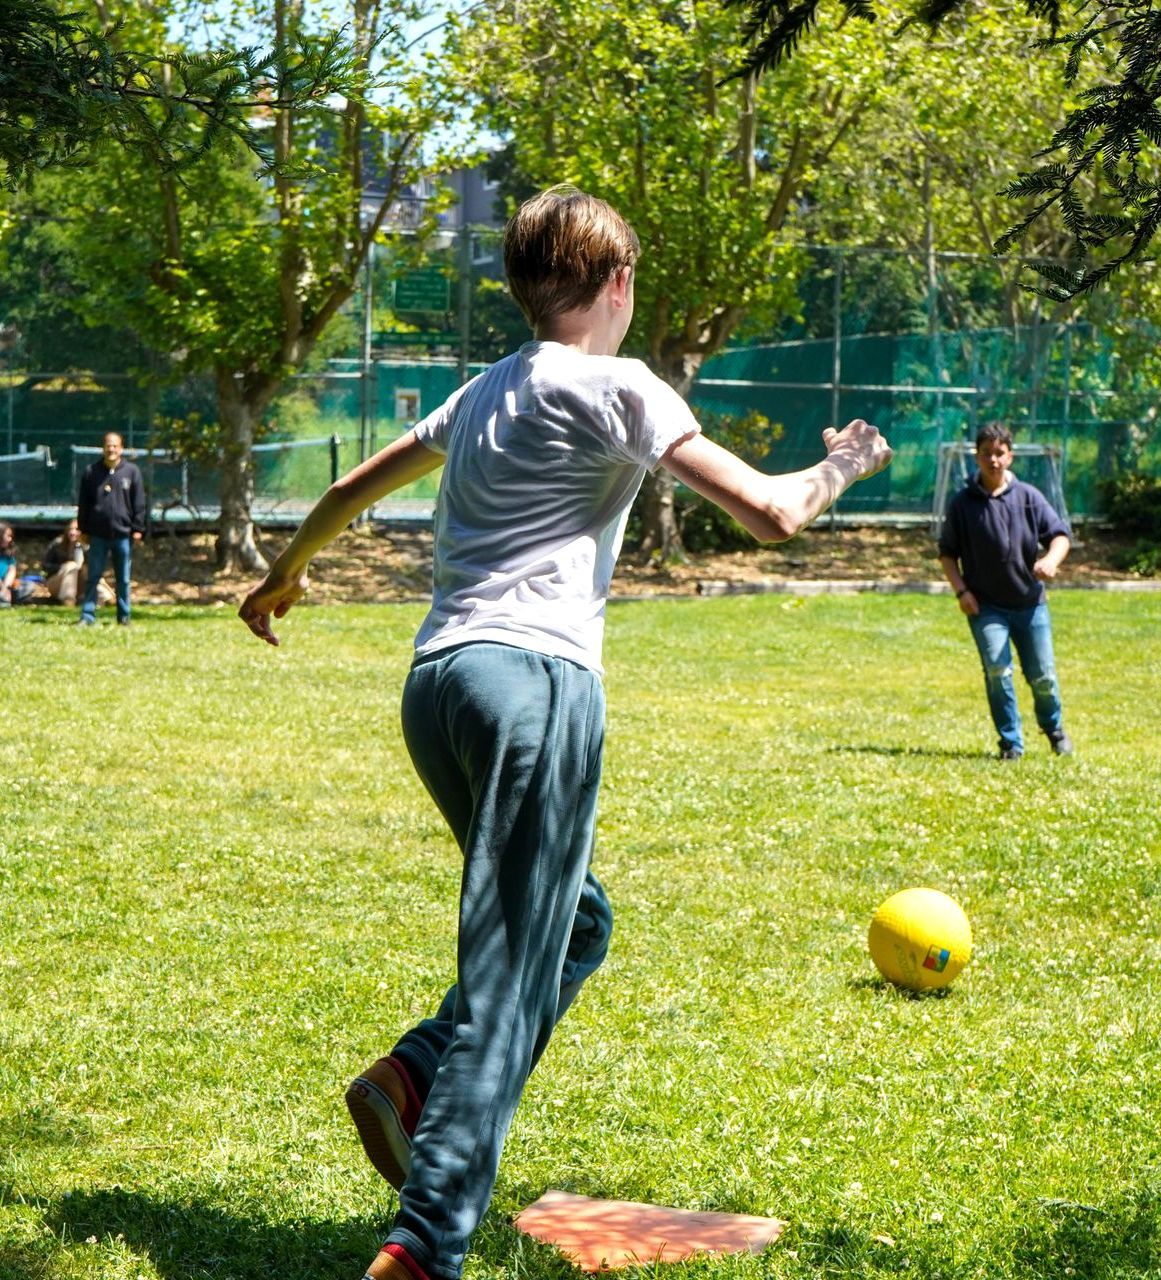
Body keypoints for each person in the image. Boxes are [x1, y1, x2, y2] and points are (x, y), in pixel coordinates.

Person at [238, 186, 892, 1280]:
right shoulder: (621, 384)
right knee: (510, 964)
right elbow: (773, 512)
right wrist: (844, 462)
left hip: (438, 686)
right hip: (536, 686)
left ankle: (411, 1075)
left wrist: (286, 575)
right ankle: (424, 1242)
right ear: (619, 283)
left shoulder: (486, 387)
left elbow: (354, 483)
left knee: (573, 922)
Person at [938, 422, 1073, 760]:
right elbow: (947, 554)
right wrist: (961, 592)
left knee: (1042, 676)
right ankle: (1011, 743)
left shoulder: (1028, 497)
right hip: (987, 608)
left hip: (1030, 605)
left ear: (1010, 456)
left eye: (999, 454)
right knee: (999, 672)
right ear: (977, 456)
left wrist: (1051, 560)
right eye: (986, 454)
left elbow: (1059, 535)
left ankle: (1054, 729)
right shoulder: (963, 503)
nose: (993, 460)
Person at [77, 431, 145, 626]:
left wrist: (138, 527)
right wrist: (84, 529)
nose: (111, 449)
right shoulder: (91, 472)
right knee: (93, 576)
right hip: (98, 535)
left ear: (121, 448)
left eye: (115, 445)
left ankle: (124, 617)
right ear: (103, 448)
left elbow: (139, 502)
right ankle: (87, 616)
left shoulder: (132, 472)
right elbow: (84, 504)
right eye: (108, 445)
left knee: (123, 579)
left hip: (123, 535)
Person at [41, 518, 84, 606]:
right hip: (56, 582)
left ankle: (106, 598)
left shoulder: (86, 547)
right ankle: (68, 600)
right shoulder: (57, 544)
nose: (72, 532)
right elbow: (45, 565)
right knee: (71, 567)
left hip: (79, 584)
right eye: (70, 529)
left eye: (76, 530)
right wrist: (62, 566)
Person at [0, 522, 37, 606]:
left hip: (5, 586)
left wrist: (6, 587)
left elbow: (12, 571)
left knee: (28, 585)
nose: (10, 539)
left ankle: (5, 598)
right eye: (8, 536)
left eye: (11, 536)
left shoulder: (8, 554)